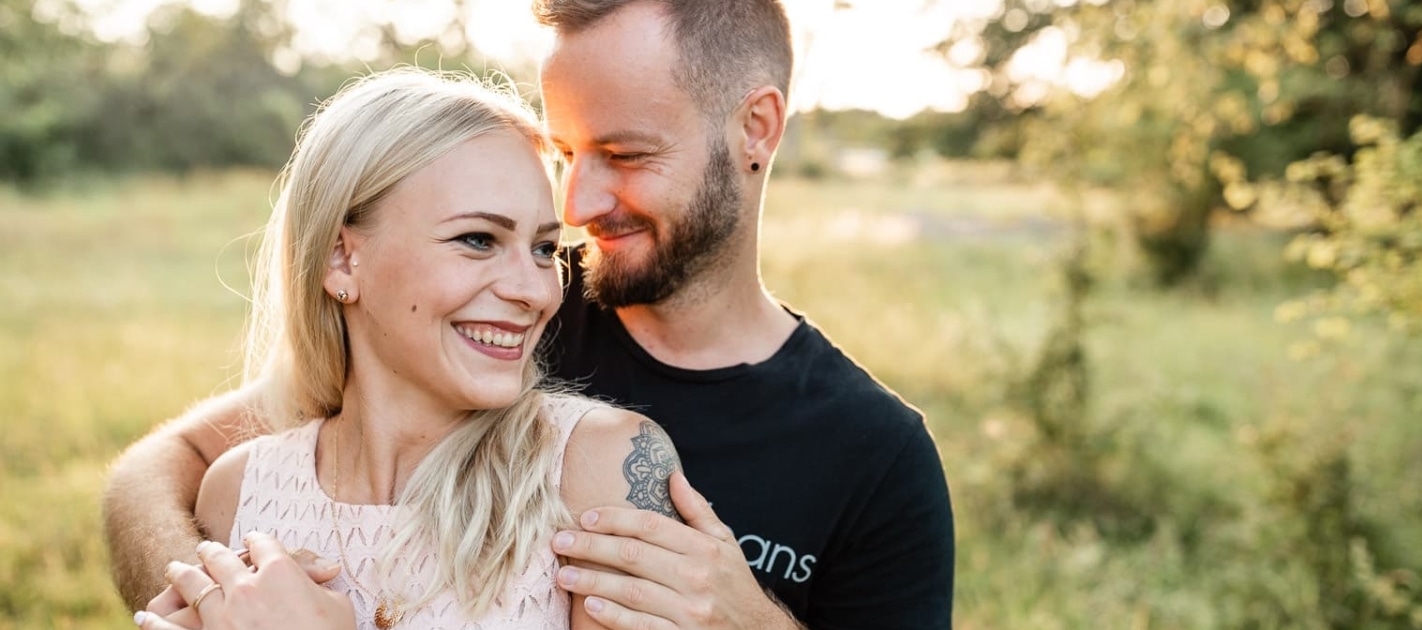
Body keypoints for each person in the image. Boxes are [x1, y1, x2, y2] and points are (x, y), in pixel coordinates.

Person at [109, 1, 956, 628]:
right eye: (567, 154)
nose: (579, 204)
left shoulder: (877, 454)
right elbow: (165, 466)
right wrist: (214, 595)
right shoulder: (505, 319)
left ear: (757, 129)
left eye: (624, 154)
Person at [130, 67, 688, 629]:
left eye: (543, 247)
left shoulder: (601, 468)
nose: (536, 289)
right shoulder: (238, 492)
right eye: (478, 240)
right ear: (341, 259)